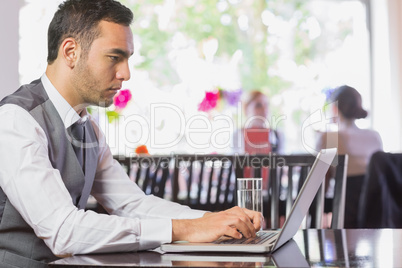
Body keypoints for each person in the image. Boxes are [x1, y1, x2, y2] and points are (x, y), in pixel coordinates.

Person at [0, 0, 262, 267]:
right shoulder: (15, 120)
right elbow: (64, 231)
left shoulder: (87, 128)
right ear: (70, 51)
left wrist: (213, 221)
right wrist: (184, 229)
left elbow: (131, 204)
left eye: (127, 59)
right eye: (115, 57)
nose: (125, 73)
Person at [316, 85, 383, 228]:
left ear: (335, 108)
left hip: (345, 216)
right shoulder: (374, 136)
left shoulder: (329, 137)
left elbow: (321, 183)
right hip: (376, 214)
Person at [232, 90, 283, 154]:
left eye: (266, 105)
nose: (264, 109)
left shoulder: (278, 135)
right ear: (246, 109)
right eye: (258, 105)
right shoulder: (238, 134)